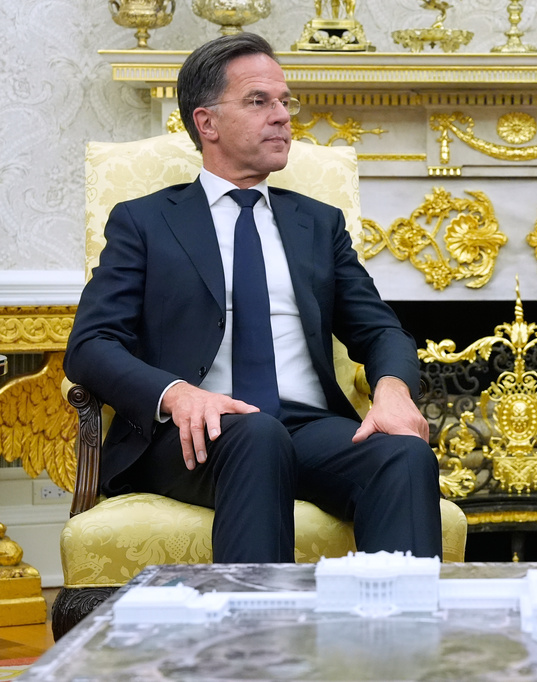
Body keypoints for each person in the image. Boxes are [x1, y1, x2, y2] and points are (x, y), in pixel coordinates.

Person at [64, 33, 442, 563]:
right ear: (207, 122)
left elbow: (380, 329)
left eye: (285, 101)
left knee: (402, 454)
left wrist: (394, 391)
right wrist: (177, 395)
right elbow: (91, 345)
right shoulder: (144, 221)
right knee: (256, 436)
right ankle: (255, 641)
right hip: (194, 433)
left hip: (306, 426)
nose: (282, 115)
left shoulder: (317, 223)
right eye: (259, 101)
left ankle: (398, 636)